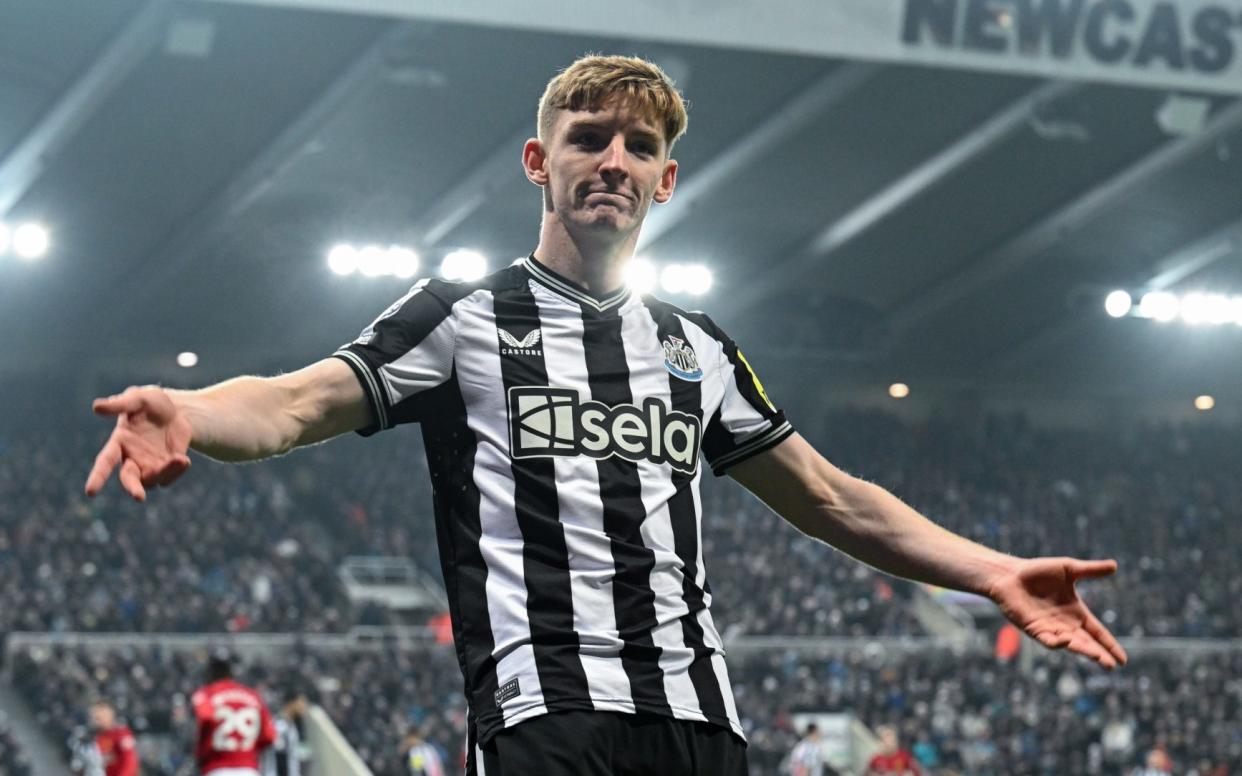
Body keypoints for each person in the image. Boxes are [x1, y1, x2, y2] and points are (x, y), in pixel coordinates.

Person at [85, 54, 1128, 776]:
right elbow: (294, 401)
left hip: (694, 717)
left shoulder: (699, 347)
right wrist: (192, 410)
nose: (613, 159)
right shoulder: (460, 318)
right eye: (589, 138)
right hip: (547, 714)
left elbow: (831, 496)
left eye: (638, 147)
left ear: (665, 180)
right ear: (541, 162)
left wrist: (990, 569)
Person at [190, 653, 276, 776]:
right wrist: (248, 751)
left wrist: (201, 753)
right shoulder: (253, 696)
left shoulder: (206, 693)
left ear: (210, 672)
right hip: (248, 768)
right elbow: (269, 736)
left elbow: (206, 718)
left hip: (217, 767)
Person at [261, 689, 308, 776]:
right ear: (291, 703)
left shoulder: (290, 724)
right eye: (301, 701)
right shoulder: (281, 726)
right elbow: (280, 759)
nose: (304, 706)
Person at [87, 701, 139, 776]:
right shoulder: (95, 737)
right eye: (93, 718)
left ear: (109, 715)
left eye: (98, 718)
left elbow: (130, 763)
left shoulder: (121, 734)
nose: (95, 721)